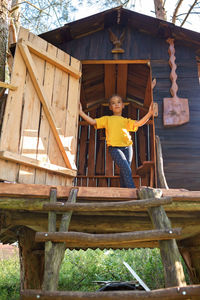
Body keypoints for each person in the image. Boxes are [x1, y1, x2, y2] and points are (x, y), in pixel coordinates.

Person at [79, 94, 153, 188]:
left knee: (124, 171)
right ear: (110, 107)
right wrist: (81, 112)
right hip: (114, 148)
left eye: (119, 102)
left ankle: (124, 192)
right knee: (126, 168)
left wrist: (150, 113)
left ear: (123, 105)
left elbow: (139, 123)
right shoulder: (107, 119)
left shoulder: (126, 121)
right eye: (113, 103)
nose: (116, 104)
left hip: (128, 147)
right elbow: (93, 122)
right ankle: (132, 190)